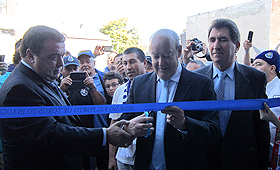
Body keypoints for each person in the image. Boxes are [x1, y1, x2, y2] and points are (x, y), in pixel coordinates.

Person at [0, 25, 154, 170]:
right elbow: (51, 134)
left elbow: (69, 121)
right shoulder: (19, 89)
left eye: (62, 56)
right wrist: (105, 135)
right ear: (30, 55)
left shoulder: (41, 79)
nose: (61, 63)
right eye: (54, 57)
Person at [121, 29, 220, 170]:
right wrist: (129, 127)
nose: (161, 63)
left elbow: (213, 131)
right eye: (155, 57)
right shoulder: (138, 84)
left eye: (167, 55)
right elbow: (124, 121)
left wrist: (185, 124)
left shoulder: (202, 84)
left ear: (179, 51)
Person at [195, 18, 270, 169]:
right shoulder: (196, 79)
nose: (216, 46)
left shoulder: (255, 78)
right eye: (212, 40)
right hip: (205, 161)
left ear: (236, 46)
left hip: (242, 162)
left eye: (223, 39)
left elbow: (261, 126)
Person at [108, 47, 147, 170]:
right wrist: (111, 157)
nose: (128, 67)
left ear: (144, 63)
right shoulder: (119, 91)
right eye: (125, 63)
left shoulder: (156, 86)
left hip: (148, 155)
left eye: (132, 62)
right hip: (124, 157)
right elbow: (114, 123)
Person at [252, 50, 280, 162]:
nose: (253, 67)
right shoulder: (253, 89)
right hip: (261, 153)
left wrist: (274, 120)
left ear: (272, 68)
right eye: (253, 64)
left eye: (259, 64)